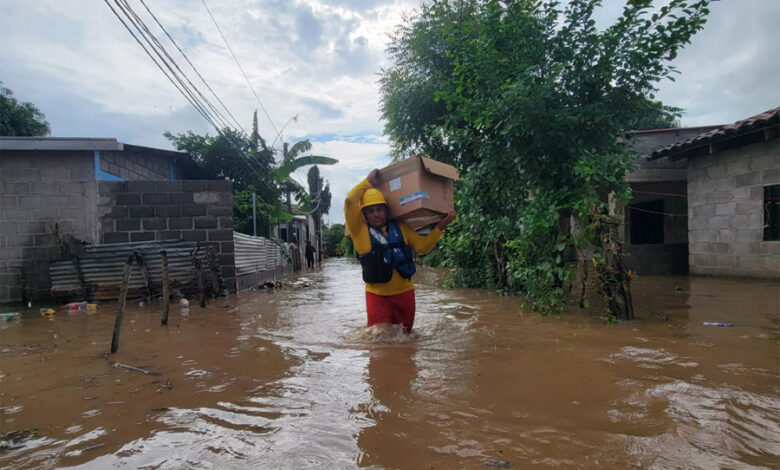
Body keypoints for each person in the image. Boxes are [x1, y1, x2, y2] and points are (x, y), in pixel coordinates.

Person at [344, 169, 456, 333]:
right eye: (371, 211)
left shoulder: (402, 228)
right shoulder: (359, 232)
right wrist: (367, 181)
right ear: (364, 215)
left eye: (379, 209)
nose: (376, 214)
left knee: (405, 339)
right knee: (380, 340)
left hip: (405, 294)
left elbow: (423, 247)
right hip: (377, 297)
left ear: (386, 210)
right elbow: (349, 201)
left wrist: (442, 224)